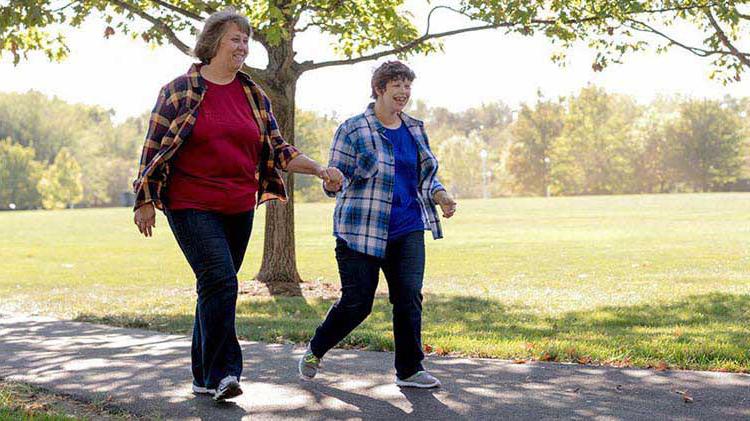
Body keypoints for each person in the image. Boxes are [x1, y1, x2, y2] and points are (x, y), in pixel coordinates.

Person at [132, 9, 341, 401]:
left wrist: (318, 168)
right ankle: (225, 373)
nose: (242, 47)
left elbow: (278, 149)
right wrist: (143, 198)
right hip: (190, 203)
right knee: (223, 282)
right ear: (212, 42)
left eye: (245, 40)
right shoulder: (180, 90)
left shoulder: (252, 94)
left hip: (239, 206)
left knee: (213, 288)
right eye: (235, 39)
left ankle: (201, 376)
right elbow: (153, 147)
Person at [298, 61, 456, 388]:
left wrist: (440, 195)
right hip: (361, 232)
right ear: (379, 89)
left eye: (407, 86)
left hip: (407, 227)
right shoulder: (353, 129)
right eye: (396, 85)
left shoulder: (415, 129)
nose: (403, 92)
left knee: (409, 295)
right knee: (357, 304)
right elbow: (334, 179)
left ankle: (410, 370)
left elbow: (426, 177)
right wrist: (331, 181)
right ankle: (316, 348)